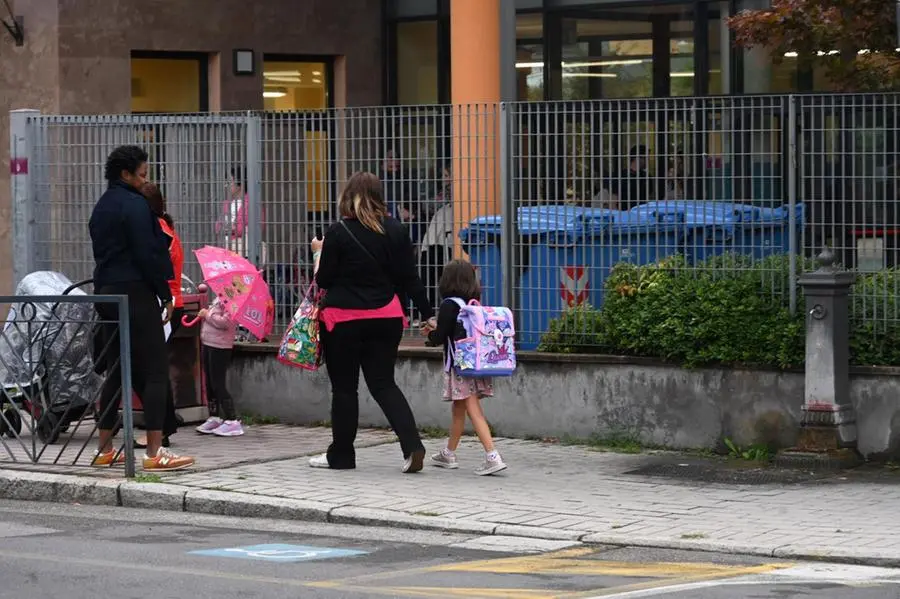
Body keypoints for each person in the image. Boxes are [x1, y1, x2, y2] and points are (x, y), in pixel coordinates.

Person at [309, 171, 434, 473]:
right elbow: (410, 279)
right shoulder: (396, 230)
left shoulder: (338, 232)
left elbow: (324, 279)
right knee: (383, 383)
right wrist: (429, 315)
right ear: (379, 197)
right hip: (386, 316)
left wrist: (318, 252)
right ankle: (412, 445)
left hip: (343, 320)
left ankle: (342, 456)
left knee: (344, 390)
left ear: (347, 197)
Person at [89, 145, 194, 471]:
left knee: (118, 370)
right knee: (154, 370)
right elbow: (148, 253)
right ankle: (153, 452)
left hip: (106, 293)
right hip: (136, 293)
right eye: (143, 174)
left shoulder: (102, 206)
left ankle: (104, 449)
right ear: (126, 174)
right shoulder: (135, 206)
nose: (145, 179)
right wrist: (164, 294)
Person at [423, 260, 507, 476]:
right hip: (475, 363)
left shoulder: (449, 304)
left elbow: (441, 337)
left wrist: (430, 334)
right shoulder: (470, 304)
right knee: (458, 409)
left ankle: (492, 456)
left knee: (472, 409)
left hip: (461, 367)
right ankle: (448, 453)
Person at [134, 182, 183, 449]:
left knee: (151, 370)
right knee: (154, 369)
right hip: (166, 304)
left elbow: (154, 268)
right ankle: (164, 425)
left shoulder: (158, 231)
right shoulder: (162, 227)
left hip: (164, 305)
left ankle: (161, 428)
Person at [194, 298, 242, 436]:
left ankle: (232, 420)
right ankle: (214, 416)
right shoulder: (219, 298)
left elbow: (225, 322)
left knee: (217, 382)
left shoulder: (232, 302)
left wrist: (207, 315)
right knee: (209, 382)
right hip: (209, 343)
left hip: (220, 346)